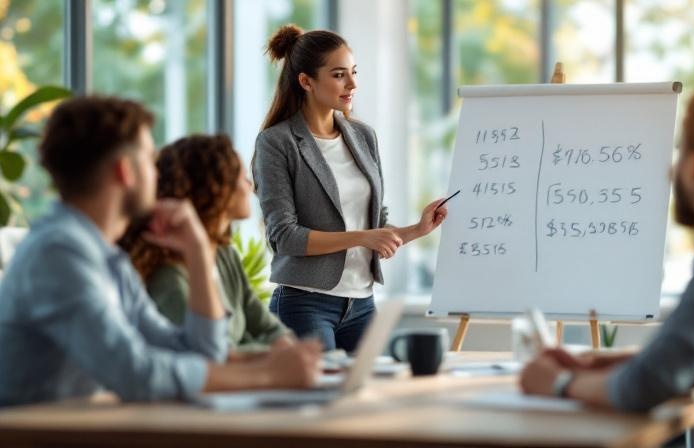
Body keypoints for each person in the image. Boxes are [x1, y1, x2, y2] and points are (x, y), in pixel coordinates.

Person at [518, 85, 694, 448]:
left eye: (679, 153)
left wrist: (558, 384)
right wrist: (604, 365)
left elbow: (648, 385)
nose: (671, 168)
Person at [0, 96, 320, 407]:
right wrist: (265, 375)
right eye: (150, 160)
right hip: (35, 433)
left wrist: (198, 253)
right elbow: (136, 374)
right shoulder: (58, 255)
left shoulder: (106, 258)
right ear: (125, 170)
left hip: (80, 428)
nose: (157, 173)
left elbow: (199, 354)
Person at [252, 24, 448, 352]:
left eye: (353, 72)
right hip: (305, 304)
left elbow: (375, 227)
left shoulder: (363, 136)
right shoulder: (277, 142)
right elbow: (284, 237)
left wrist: (417, 229)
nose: (352, 84)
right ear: (306, 81)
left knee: (371, 385)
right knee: (321, 386)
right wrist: (361, 237)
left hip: (362, 305)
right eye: (339, 75)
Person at [120, 134, 293, 352]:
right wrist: (275, 355)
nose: (250, 185)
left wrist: (287, 350)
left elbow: (268, 328)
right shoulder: (169, 274)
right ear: (216, 189)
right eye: (242, 177)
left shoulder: (225, 255)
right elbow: (210, 355)